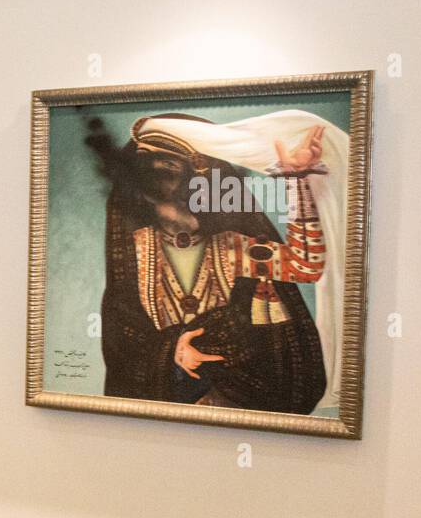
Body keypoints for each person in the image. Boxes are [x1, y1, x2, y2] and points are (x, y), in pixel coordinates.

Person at [91, 112, 339, 414]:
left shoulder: (232, 248)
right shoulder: (136, 249)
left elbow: (305, 265)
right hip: (163, 408)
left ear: (200, 177)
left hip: (232, 407)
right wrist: (174, 351)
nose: (152, 170)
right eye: (144, 159)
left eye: (168, 161)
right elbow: (125, 338)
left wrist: (297, 180)